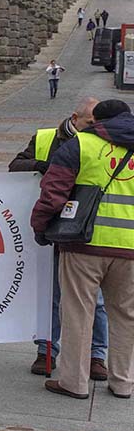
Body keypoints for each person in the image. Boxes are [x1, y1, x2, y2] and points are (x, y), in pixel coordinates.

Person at [31, 99, 134, 400]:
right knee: (126, 315)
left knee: (77, 312)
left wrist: (41, 226)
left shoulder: (80, 145)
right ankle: (123, 382)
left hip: (84, 244)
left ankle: (73, 381)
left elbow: (53, 193)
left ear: (97, 121)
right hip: (130, 248)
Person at [9, 97, 109, 379]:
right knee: (51, 294)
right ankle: (46, 350)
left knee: (96, 300)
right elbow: (15, 165)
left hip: (89, 230)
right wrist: (43, 164)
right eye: (90, 123)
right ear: (75, 118)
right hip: (56, 227)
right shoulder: (46, 138)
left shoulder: (105, 141)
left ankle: (96, 357)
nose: (95, 128)